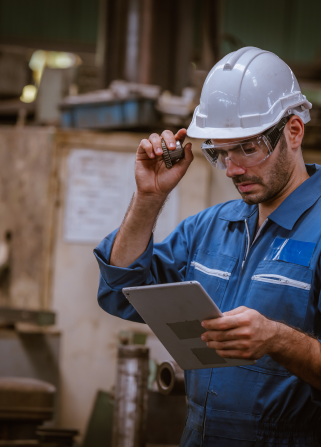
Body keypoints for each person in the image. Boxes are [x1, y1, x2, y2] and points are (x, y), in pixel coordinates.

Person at [94, 47, 321, 446]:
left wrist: (278, 339)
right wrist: (148, 198)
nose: (233, 169)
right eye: (220, 152)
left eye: (248, 148)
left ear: (294, 132)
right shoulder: (212, 227)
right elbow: (120, 290)